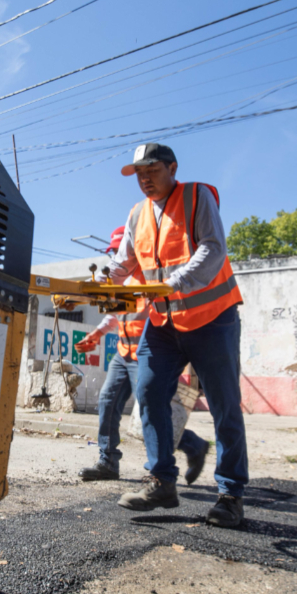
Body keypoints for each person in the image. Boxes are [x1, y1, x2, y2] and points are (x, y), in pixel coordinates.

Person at [107, 143, 249, 528]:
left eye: (151, 170)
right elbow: (124, 262)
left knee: (224, 406)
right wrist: (105, 281)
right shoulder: (137, 213)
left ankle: (230, 494)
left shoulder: (196, 196)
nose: (144, 179)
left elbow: (213, 248)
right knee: (150, 394)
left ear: (172, 168)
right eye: (139, 173)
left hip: (212, 318)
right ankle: (161, 481)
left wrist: (175, 282)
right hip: (164, 323)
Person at [75, 226, 210, 485]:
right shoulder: (122, 281)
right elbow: (114, 315)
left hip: (147, 354)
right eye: (112, 251)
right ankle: (107, 461)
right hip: (123, 353)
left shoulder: (152, 278)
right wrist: (97, 334)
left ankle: (192, 445)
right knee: (107, 401)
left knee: (152, 409)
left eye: (117, 250)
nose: (115, 255)